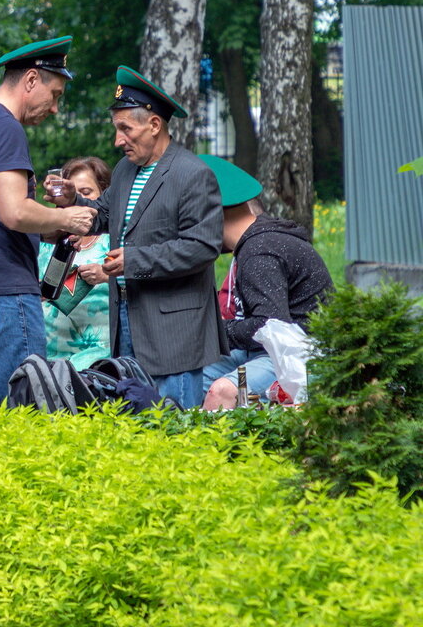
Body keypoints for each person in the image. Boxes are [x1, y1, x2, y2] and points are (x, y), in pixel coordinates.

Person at [47, 66, 225, 407]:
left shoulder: (192, 174)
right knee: (134, 425)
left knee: (173, 430)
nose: (117, 140)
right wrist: (72, 200)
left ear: (154, 125)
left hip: (174, 335)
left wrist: (134, 260)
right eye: (117, 129)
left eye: (125, 129)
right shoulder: (126, 169)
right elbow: (105, 215)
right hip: (126, 321)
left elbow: (202, 247)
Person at [0, 37, 96, 413]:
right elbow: (13, 212)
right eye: (54, 94)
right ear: (30, 81)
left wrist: (52, 227)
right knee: (27, 413)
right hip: (1, 293)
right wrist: (66, 216)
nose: (56, 108)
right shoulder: (6, 128)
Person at [198, 156, 333, 409]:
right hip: (267, 350)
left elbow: (270, 326)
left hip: (295, 354)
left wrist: (213, 331)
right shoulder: (256, 241)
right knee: (188, 378)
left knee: (221, 392)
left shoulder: (260, 251)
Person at [35, 156, 112, 367]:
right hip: (49, 353)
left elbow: (135, 279)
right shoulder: (49, 238)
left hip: (98, 354)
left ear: (105, 195)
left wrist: (106, 276)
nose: (79, 203)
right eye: (74, 195)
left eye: (86, 194)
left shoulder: (112, 240)